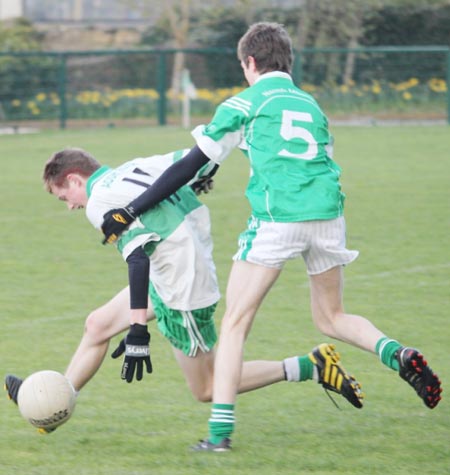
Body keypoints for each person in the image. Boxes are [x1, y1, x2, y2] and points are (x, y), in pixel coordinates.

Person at [99, 22, 442, 452]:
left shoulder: (243, 103)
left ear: (251, 62)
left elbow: (187, 166)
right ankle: (398, 354)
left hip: (278, 219)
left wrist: (131, 209)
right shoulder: (311, 105)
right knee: (332, 317)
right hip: (328, 215)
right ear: (288, 61)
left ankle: (219, 436)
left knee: (235, 323)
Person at [5, 147, 363, 439]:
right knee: (97, 324)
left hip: (182, 288)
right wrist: (200, 181)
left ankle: (309, 366)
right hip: (175, 270)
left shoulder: (99, 203)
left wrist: (137, 331)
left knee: (206, 388)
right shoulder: (136, 166)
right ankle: (52, 405)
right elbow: (200, 156)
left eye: (63, 196)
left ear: (73, 178)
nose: (69, 205)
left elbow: (138, 260)